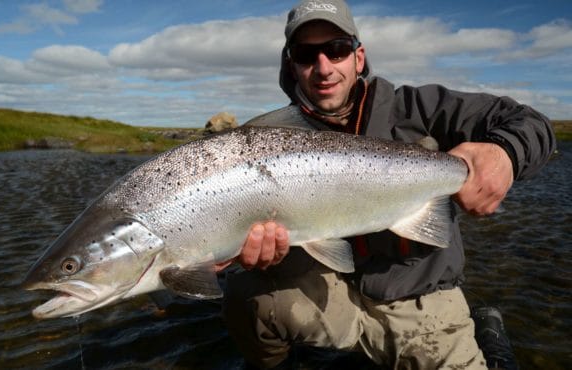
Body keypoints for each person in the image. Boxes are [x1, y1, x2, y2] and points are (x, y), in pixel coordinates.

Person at [218, 1, 556, 369]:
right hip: (333, 298)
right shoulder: (271, 140)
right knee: (242, 294)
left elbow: (531, 123)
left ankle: (490, 336)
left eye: (336, 49)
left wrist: (505, 154)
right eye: (305, 54)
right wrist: (259, 258)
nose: (323, 67)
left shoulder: (418, 108)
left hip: (423, 309)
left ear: (358, 57)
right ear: (291, 66)